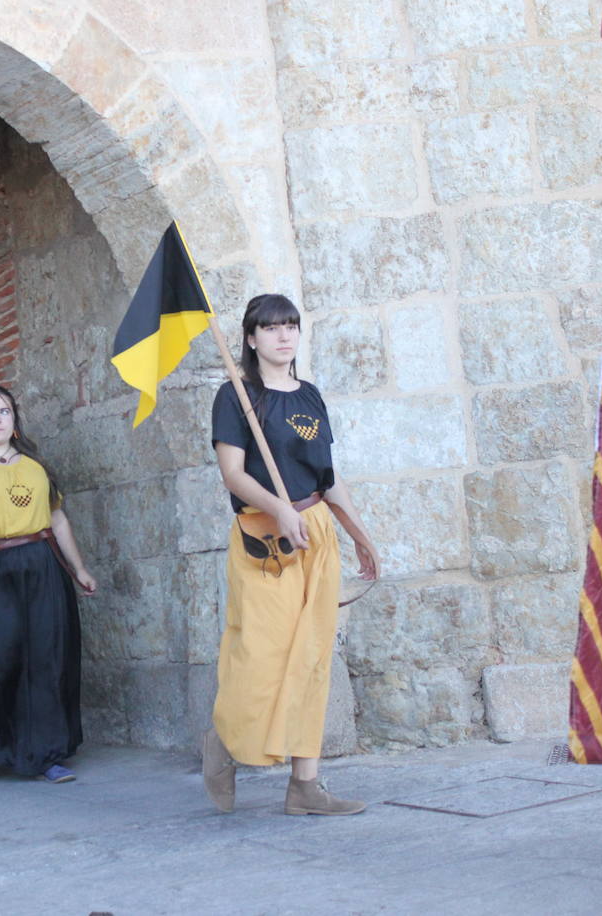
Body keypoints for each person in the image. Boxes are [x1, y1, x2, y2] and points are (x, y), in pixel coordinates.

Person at [201, 293, 379, 816]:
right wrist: (279, 509)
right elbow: (233, 473)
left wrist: (360, 533)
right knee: (259, 654)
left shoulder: (310, 396)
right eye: (271, 327)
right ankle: (223, 741)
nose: (284, 336)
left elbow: (327, 476)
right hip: (265, 539)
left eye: (291, 326)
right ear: (251, 337)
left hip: (315, 531)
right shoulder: (235, 397)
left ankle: (305, 785)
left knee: (312, 658)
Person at [0, 384, 98, 784]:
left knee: (47, 659)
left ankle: (46, 753)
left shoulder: (35, 466)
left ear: (14, 420)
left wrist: (78, 568)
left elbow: (57, 519)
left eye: (4, 411)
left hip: (42, 564)